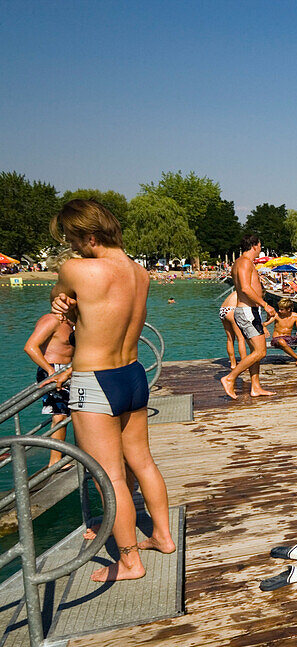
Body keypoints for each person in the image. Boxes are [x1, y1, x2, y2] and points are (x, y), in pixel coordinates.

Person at [48, 199, 176, 582]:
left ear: (89, 236)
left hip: (95, 380)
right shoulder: (140, 273)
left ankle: (130, 562)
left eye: (72, 239)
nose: (71, 247)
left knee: (111, 477)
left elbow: (60, 303)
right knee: (143, 461)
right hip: (132, 374)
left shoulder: (76, 270)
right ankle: (163, 536)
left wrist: (61, 301)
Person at [220, 234, 276, 400]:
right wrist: (265, 304)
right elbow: (244, 288)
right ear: (254, 246)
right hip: (246, 311)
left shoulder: (240, 262)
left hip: (249, 310)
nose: (260, 249)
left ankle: (256, 387)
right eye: (260, 245)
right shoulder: (244, 262)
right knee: (260, 352)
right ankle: (230, 378)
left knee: (255, 351)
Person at [23, 300, 74, 466]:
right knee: (59, 415)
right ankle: (55, 461)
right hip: (54, 370)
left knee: (75, 412)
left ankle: (76, 452)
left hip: (69, 370)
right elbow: (30, 347)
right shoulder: (52, 320)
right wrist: (50, 370)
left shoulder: (73, 321)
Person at [218, 290, 246, 369]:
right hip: (232, 310)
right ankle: (244, 364)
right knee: (241, 338)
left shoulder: (236, 291)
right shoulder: (246, 291)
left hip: (223, 309)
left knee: (230, 339)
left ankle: (233, 364)